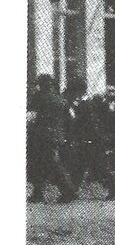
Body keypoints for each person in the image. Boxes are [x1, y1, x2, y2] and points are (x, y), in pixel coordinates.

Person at [63, 77, 115, 199]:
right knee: (80, 167)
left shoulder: (85, 105)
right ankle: (72, 191)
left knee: (96, 167)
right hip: (88, 140)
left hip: (91, 140)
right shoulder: (85, 103)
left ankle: (112, 187)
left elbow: (83, 123)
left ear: (78, 91)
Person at [27, 74, 78, 203]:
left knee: (48, 164)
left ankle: (68, 191)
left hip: (40, 136)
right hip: (56, 136)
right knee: (44, 164)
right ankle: (38, 193)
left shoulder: (39, 97)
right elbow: (71, 118)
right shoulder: (61, 99)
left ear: (42, 85)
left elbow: (31, 116)